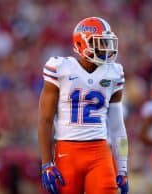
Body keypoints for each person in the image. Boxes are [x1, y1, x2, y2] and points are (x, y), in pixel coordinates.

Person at [38, 17, 129, 194]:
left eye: (107, 42)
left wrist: (123, 168)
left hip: (100, 152)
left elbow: (118, 127)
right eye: (101, 42)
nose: (106, 48)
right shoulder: (60, 68)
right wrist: (46, 163)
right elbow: (45, 120)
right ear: (82, 43)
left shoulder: (114, 73)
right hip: (67, 152)